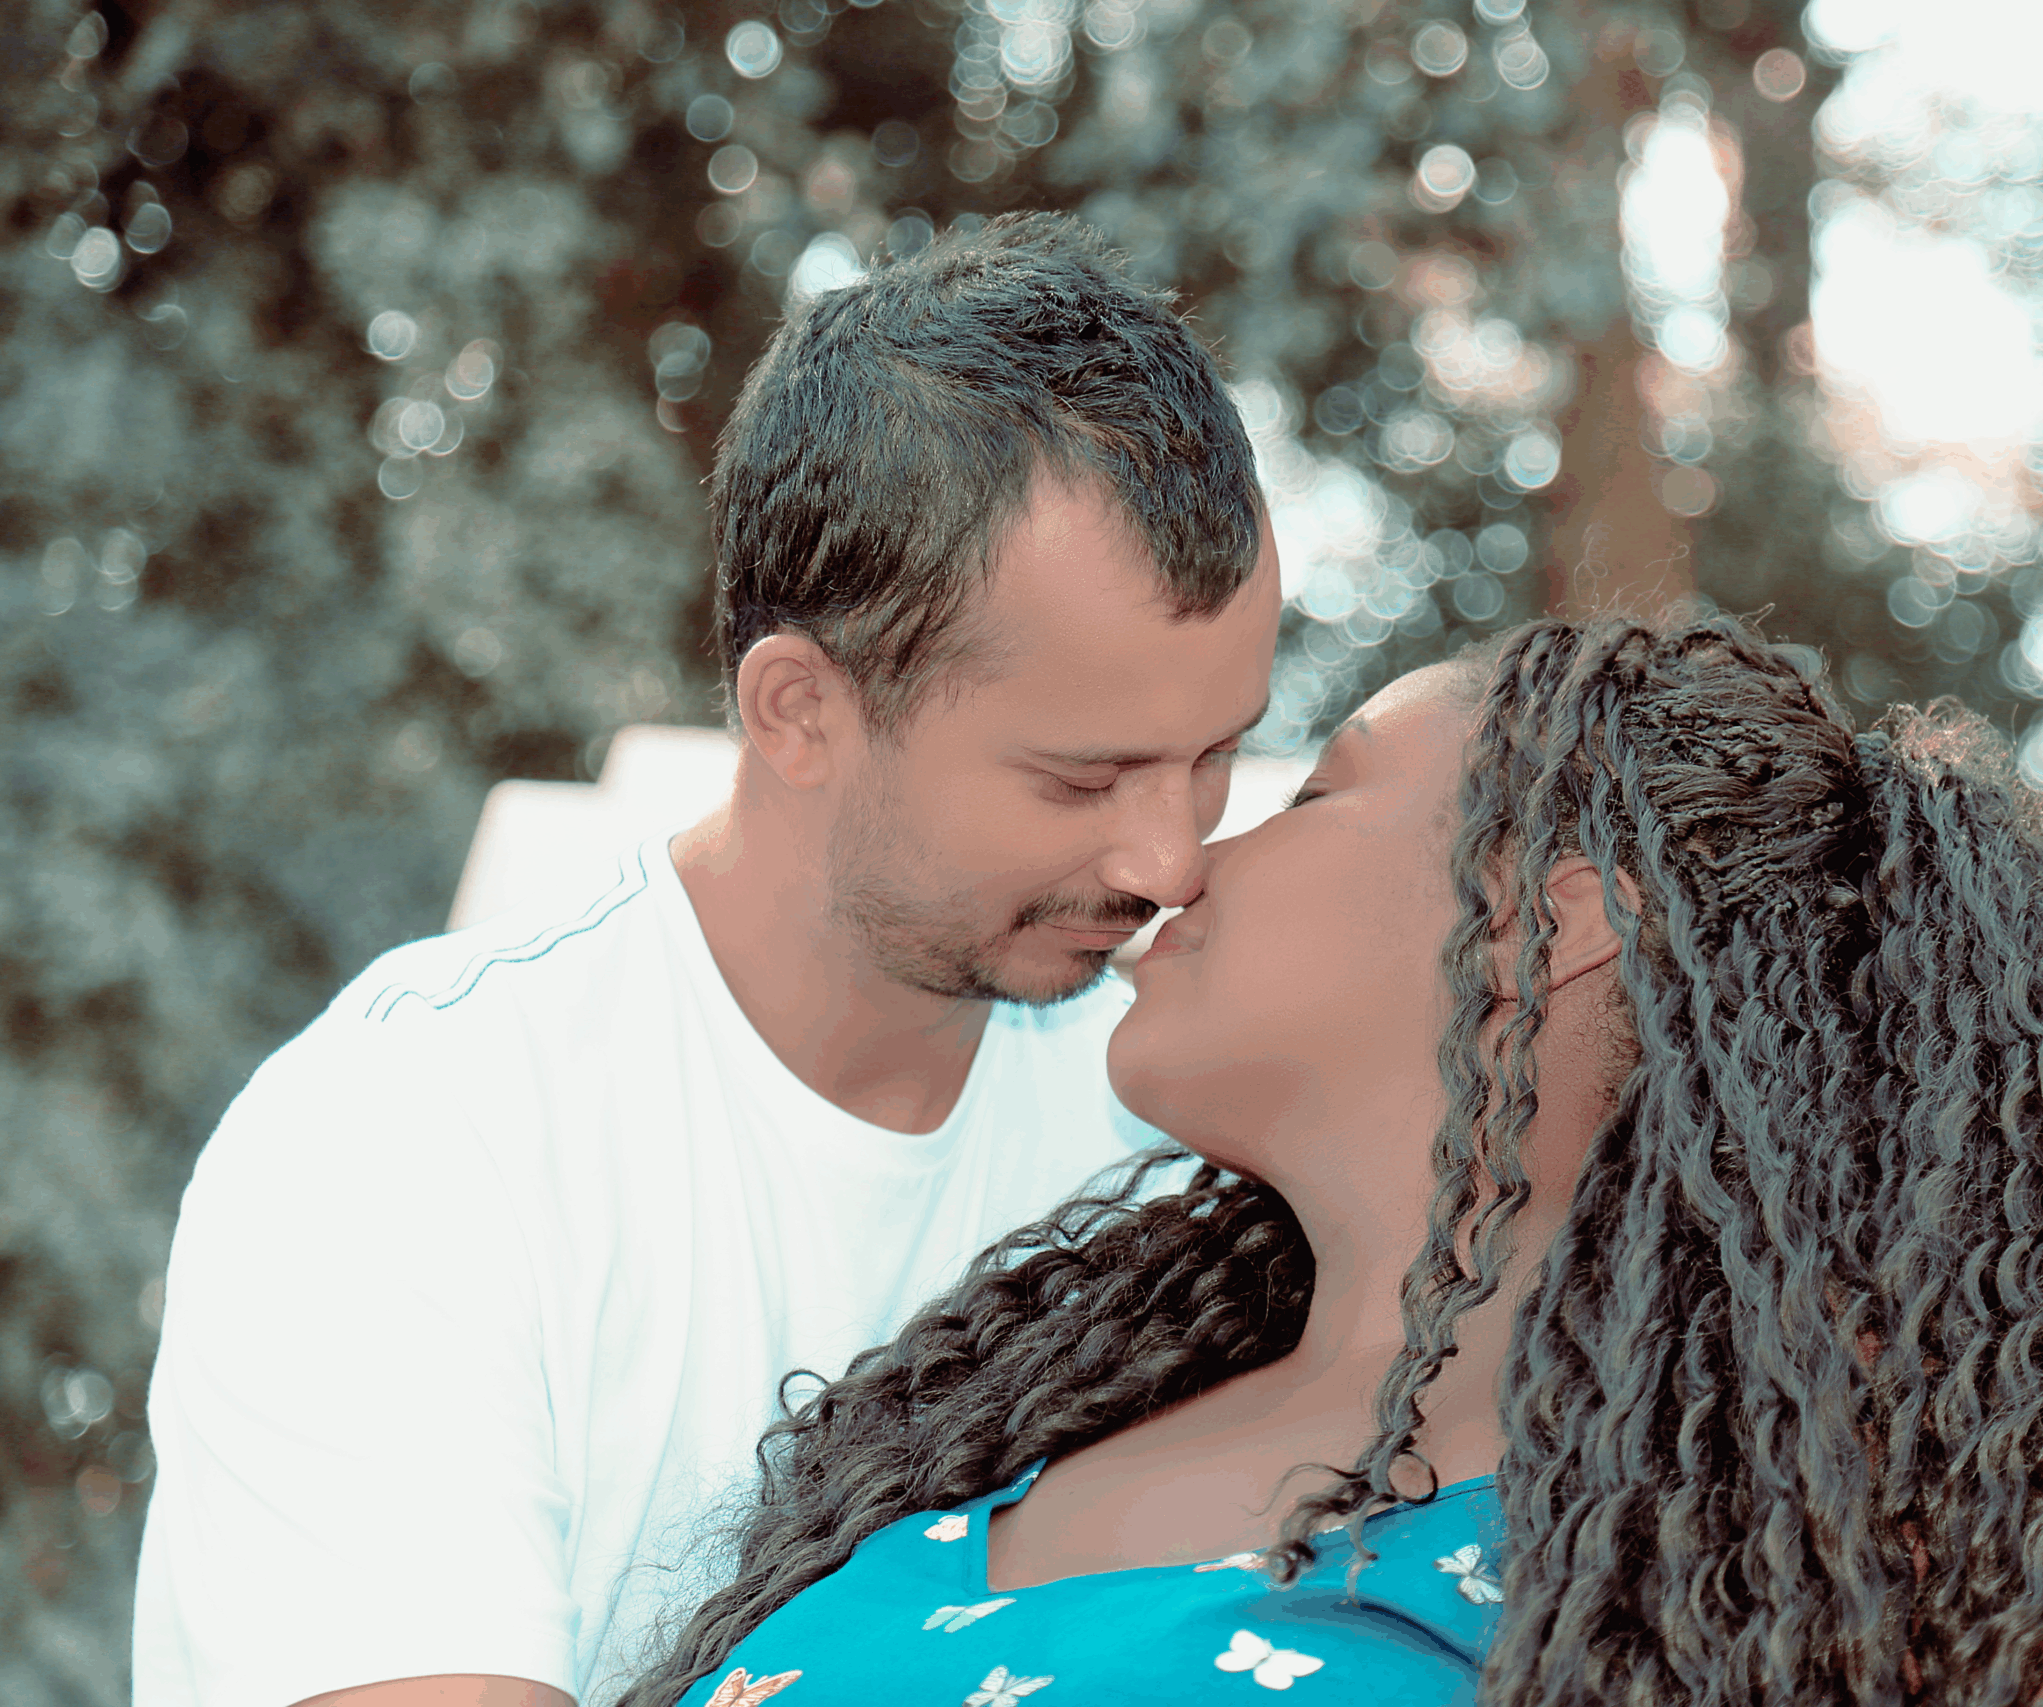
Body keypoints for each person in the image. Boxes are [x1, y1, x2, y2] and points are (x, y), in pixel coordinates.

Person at [620, 615, 2043, 1707]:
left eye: (1313, 792)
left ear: (1558, 914)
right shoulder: (1000, 1433)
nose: (1179, 861)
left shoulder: (1947, 1461)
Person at [133, 214, 1282, 1707]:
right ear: (799, 711)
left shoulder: (1181, 1126)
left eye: (1217, 755)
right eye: (1083, 779)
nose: (1171, 862)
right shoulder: (412, 1140)